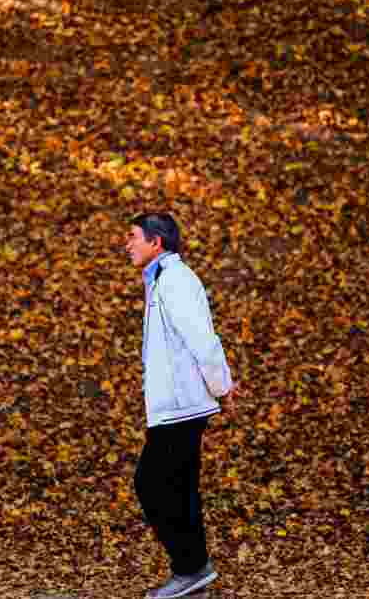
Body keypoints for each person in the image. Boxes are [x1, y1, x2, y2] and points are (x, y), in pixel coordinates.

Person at [125, 212, 242, 599]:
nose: (128, 245)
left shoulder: (174, 280)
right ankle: (196, 570)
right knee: (179, 487)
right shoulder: (161, 279)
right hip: (175, 405)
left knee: (151, 483)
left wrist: (222, 386)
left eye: (134, 237)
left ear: (156, 243)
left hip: (182, 406)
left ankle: (189, 567)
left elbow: (202, 340)